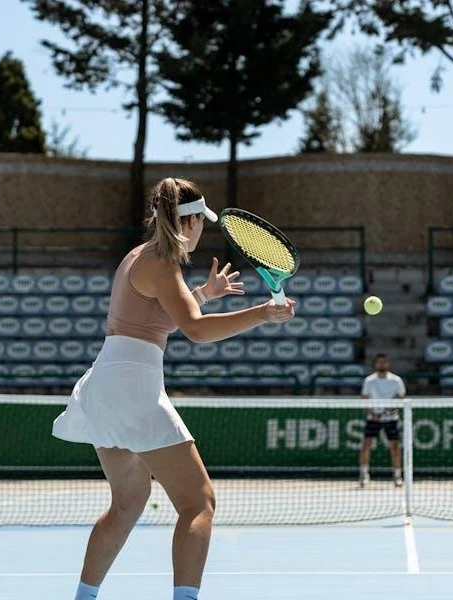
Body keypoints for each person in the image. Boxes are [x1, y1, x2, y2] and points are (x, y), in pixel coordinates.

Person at [52, 177, 296, 600]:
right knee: (199, 503)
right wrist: (262, 313)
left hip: (105, 385)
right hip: (132, 386)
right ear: (194, 220)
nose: (205, 229)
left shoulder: (138, 256)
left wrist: (204, 293)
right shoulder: (163, 263)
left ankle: (83, 597)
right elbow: (196, 331)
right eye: (204, 221)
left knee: (128, 502)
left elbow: (152, 317)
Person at [358, 354, 406, 488]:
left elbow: (400, 397)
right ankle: (364, 474)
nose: (382, 365)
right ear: (375, 364)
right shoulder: (369, 381)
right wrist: (372, 413)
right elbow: (364, 398)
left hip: (391, 419)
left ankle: (397, 476)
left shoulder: (396, 381)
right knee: (366, 445)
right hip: (373, 418)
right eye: (379, 363)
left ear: (388, 364)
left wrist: (391, 409)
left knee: (395, 447)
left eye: (384, 362)